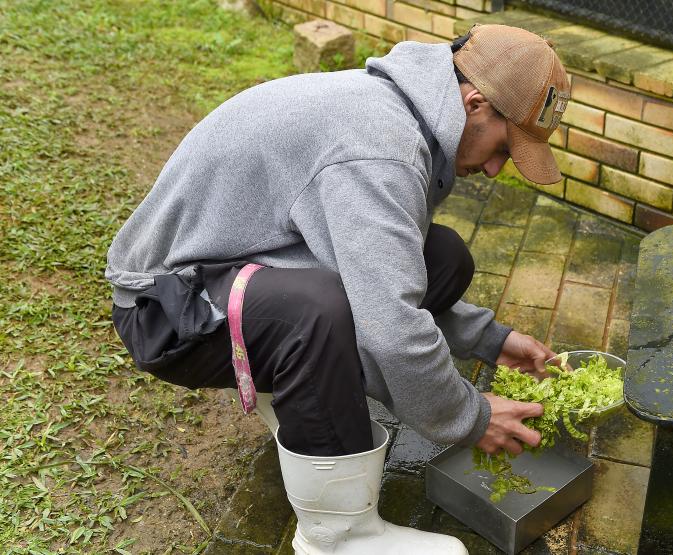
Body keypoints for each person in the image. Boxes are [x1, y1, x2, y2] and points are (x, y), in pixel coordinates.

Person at [106, 23, 571, 554]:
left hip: (233, 267)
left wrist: (489, 339)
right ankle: (339, 535)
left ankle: (305, 389)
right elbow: (391, 329)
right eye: (503, 148)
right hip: (168, 310)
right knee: (317, 315)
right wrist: (472, 418)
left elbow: (386, 276)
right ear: (475, 103)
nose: (493, 168)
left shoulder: (399, 109)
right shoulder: (382, 149)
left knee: (441, 257)